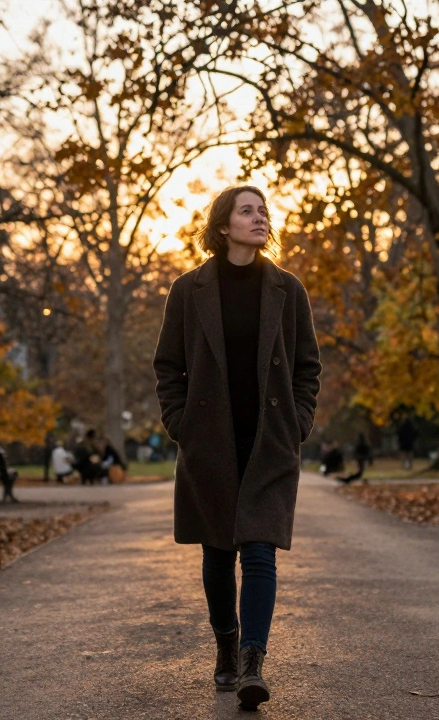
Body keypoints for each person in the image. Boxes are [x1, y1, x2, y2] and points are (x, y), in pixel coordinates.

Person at [154, 185, 321, 711]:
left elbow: (307, 367)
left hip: (269, 442)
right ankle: (226, 643)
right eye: (246, 211)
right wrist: (181, 424)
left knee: (260, 551)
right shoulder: (189, 289)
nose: (259, 217)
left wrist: (297, 423)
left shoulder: (288, 290)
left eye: (263, 210)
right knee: (217, 553)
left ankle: (252, 661)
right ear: (223, 225)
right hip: (211, 442)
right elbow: (168, 367)